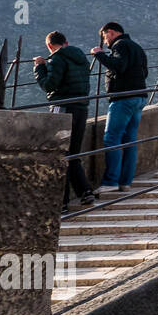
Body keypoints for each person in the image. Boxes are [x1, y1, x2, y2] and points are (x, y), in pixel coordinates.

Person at [33, 31, 95, 209]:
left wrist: (39, 67)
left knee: (60, 153)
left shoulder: (57, 59)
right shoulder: (81, 58)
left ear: (49, 46)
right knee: (73, 152)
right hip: (81, 107)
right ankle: (85, 191)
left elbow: (49, 85)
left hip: (63, 107)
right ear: (66, 43)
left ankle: (62, 201)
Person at [90, 21, 149, 192]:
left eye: (105, 37)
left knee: (111, 137)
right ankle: (125, 181)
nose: (105, 42)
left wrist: (99, 54)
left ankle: (110, 182)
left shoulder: (120, 45)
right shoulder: (137, 47)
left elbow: (118, 65)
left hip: (123, 98)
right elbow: (144, 72)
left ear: (111, 33)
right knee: (130, 140)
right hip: (139, 97)